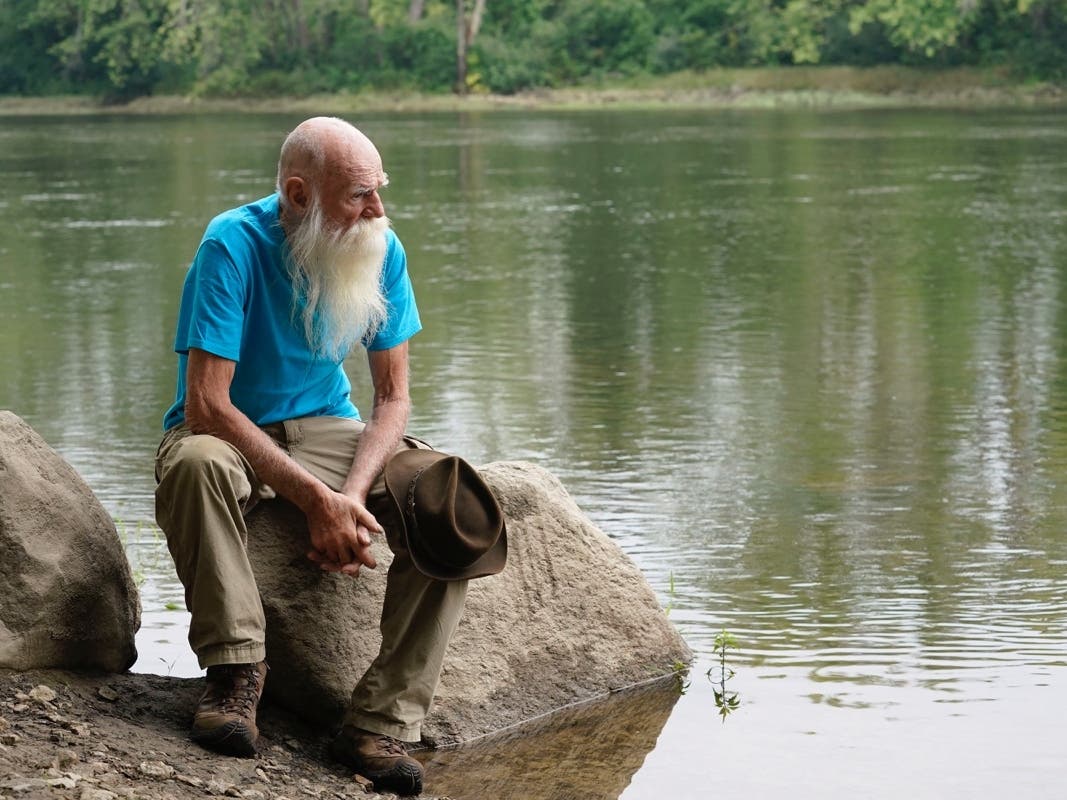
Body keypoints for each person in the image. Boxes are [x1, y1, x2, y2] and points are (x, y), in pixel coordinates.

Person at [154, 116, 503, 796]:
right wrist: (315, 502)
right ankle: (236, 677)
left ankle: (379, 723)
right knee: (196, 466)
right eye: (358, 196)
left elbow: (393, 400)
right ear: (299, 193)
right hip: (229, 430)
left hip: (328, 429)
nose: (378, 209)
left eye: (379, 190)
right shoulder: (232, 244)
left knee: (448, 497)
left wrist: (348, 495)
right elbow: (208, 406)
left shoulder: (381, 246)